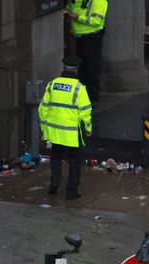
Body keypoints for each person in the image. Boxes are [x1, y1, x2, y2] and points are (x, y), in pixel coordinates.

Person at [39, 56, 92, 200]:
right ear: (76, 70)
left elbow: (42, 109)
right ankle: (72, 191)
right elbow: (85, 111)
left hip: (55, 132)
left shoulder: (52, 84)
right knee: (75, 161)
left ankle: (54, 183)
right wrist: (88, 127)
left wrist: (45, 128)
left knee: (56, 157)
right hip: (71, 133)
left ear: (64, 68)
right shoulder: (79, 88)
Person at [65, 0, 108, 104]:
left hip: (92, 38)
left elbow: (97, 21)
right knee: (82, 69)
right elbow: (67, 9)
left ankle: (93, 98)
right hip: (79, 38)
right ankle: (83, 97)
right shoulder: (75, 1)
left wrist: (78, 17)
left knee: (92, 68)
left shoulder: (99, 1)